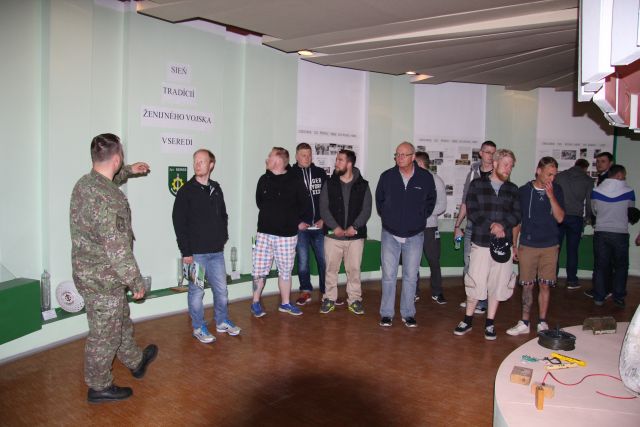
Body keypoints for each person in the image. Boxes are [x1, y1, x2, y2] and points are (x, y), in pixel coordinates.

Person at [70, 133, 157, 403]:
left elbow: (109, 178)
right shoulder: (110, 199)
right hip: (104, 277)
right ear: (117, 158)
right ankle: (99, 386)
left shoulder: (85, 184)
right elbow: (117, 249)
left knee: (119, 320)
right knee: (104, 334)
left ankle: (135, 360)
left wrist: (130, 170)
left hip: (89, 272)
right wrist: (136, 282)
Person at [172, 149, 240, 344]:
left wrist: (223, 237)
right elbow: (178, 222)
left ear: (211, 165)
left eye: (202, 161)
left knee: (222, 291)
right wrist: (186, 252)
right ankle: (198, 327)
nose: (197, 164)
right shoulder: (186, 191)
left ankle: (221, 321)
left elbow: (223, 215)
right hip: (196, 255)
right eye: (195, 161)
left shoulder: (216, 188)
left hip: (216, 252)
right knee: (197, 292)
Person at [454, 149, 520, 340]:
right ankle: (467, 319)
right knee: (475, 282)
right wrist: (492, 225)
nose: (508, 169)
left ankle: (490, 323)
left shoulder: (513, 189)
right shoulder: (477, 185)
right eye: (506, 164)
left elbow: (517, 214)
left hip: (503, 245)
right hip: (481, 243)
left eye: (511, 166)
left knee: (497, 284)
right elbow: (473, 211)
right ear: (496, 163)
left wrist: (502, 226)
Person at [376, 142, 436, 328]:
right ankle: (386, 314)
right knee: (389, 275)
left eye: (404, 154)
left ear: (413, 157)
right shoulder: (387, 176)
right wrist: (389, 217)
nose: (399, 158)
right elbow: (380, 201)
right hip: (390, 233)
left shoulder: (425, 178)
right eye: (397, 154)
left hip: (414, 234)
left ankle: (408, 313)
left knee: (410, 276)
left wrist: (419, 217)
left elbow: (431, 201)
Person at [507, 157, 565, 336]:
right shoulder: (523, 191)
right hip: (528, 245)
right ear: (538, 171)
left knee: (545, 285)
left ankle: (542, 321)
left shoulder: (557, 190)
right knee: (527, 285)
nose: (551, 179)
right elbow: (517, 221)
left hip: (550, 245)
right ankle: (524, 322)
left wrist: (551, 196)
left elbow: (560, 218)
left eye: (554, 175)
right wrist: (514, 245)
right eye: (549, 174)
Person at [251, 147, 309, 317]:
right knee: (259, 271)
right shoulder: (263, 179)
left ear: (277, 160)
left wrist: (293, 220)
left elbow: (304, 204)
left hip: (287, 236)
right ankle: (255, 302)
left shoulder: (295, 180)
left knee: (285, 271)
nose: (267, 159)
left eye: (270, 156)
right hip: (264, 233)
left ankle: (285, 303)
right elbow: (259, 202)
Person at [318, 149, 372, 315]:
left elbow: (366, 210)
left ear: (349, 164)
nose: (336, 163)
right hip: (332, 236)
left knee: (354, 270)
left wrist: (354, 227)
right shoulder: (329, 183)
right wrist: (335, 227)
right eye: (337, 160)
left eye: (340, 160)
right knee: (330, 270)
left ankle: (354, 300)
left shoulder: (363, 185)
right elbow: (323, 208)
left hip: (355, 238)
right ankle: (329, 298)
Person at [454, 141, 497, 314]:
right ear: (480, 153)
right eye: (487, 152)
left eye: (493, 153)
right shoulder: (472, 173)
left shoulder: (498, 174)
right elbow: (465, 201)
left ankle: (482, 302)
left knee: (485, 266)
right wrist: (458, 225)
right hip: (472, 226)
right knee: (469, 263)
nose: (490, 156)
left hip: (489, 228)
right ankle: (472, 298)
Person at [591, 164, 636, 307]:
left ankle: (599, 297)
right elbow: (631, 210)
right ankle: (619, 297)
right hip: (620, 232)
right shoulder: (629, 191)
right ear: (619, 175)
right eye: (624, 176)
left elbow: (594, 211)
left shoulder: (596, 190)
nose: (624, 178)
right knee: (621, 266)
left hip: (601, 231)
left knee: (600, 266)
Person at [290, 143, 328, 306]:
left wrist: (324, 219)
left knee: (324, 260)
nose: (307, 158)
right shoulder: (290, 175)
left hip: (319, 226)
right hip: (301, 229)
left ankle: (327, 292)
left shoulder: (320, 173)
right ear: (297, 156)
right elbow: (287, 203)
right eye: (303, 155)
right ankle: (305, 290)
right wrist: (297, 222)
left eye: (309, 155)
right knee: (303, 262)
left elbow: (328, 198)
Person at [555, 158, 593, 289]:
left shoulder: (560, 176)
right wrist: (588, 218)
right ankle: (571, 280)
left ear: (575, 164)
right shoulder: (588, 180)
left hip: (559, 216)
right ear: (585, 168)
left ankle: (552, 278)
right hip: (576, 217)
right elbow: (589, 201)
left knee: (555, 249)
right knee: (573, 250)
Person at [414, 152, 447, 304]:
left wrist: (423, 212)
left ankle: (437, 292)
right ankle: (413, 291)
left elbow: (442, 206)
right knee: (412, 261)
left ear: (420, 163)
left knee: (434, 260)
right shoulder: (411, 179)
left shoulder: (436, 181)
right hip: (413, 228)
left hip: (430, 228)